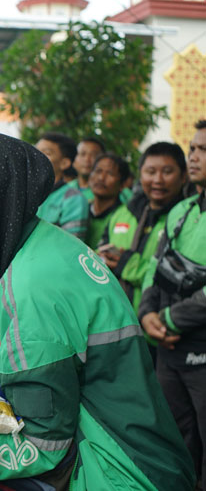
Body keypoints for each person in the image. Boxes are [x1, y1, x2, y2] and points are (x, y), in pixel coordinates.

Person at [0, 131, 195, 490]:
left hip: (116, 472)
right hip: (140, 456)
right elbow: (19, 379)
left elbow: (41, 445)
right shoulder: (36, 246)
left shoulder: (32, 285)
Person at [138, 120, 206, 486]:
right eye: (193, 149)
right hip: (167, 348)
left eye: (203, 151)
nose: (195, 157)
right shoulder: (183, 211)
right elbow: (155, 269)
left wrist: (168, 319)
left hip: (197, 346)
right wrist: (147, 314)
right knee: (175, 444)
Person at [98, 142, 187, 313]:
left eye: (167, 172)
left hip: (155, 322)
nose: (157, 180)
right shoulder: (122, 213)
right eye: (150, 172)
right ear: (141, 174)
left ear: (183, 176)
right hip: (112, 320)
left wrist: (129, 264)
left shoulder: (187, 220)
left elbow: (179, 279)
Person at [35, 132, 89, 239]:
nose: (35, 156)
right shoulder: (24, 193)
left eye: (46, 153)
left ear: (64, 163)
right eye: (34, 150)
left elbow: (70, 244)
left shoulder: (74, 199)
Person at [84, 153, 130, 249]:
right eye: (98, 171)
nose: (101, 178)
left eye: (110, 173)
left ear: (123, 184)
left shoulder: (124, 217)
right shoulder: (80, 208)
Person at [68, 137, 105, 201]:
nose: (87, 159)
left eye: (93, 155)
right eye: (82, 154)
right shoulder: (65, 189)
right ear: (74, 161)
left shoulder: (110, 192)